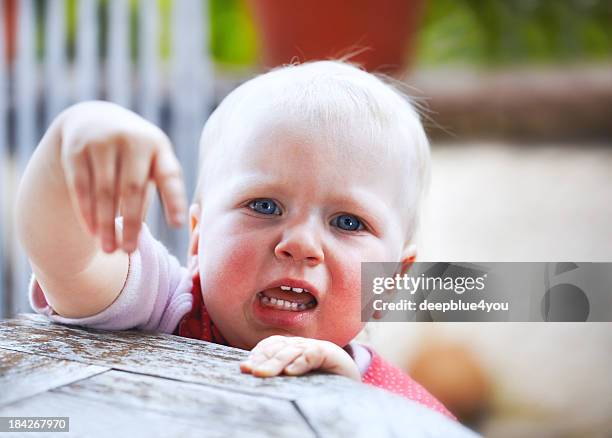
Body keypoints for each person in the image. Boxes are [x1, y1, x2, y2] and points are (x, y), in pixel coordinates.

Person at [15, 60, 454, 420]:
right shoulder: (162, 305)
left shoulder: (402, 408)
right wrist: (71, 139)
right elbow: (67, 258)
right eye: (264, 206)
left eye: (347, 222)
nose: (300, 244)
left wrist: (348, 406)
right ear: (198, 237)